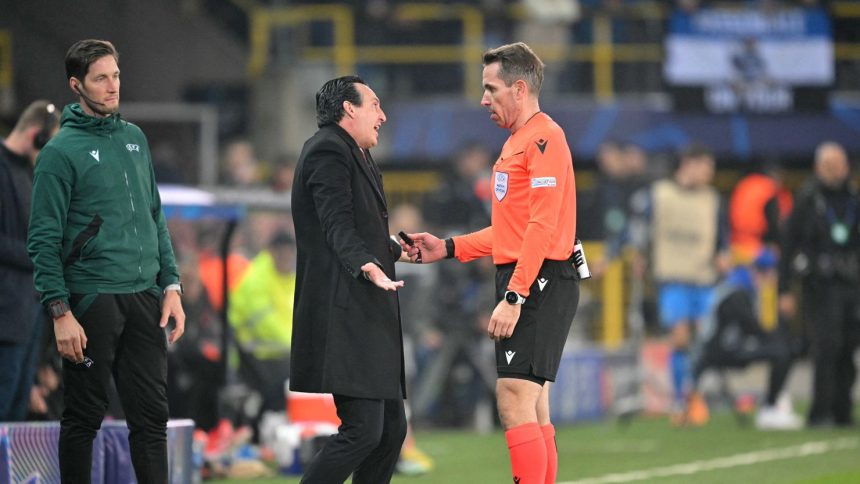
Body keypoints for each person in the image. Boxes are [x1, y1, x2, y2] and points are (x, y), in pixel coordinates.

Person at [407, 42, 579, 484]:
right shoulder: (516, 142)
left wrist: (514, 295)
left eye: (491, 89)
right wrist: (447, 247)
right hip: (531, 273)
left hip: (538, 278)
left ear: (519, 90)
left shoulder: (544, 138)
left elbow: (540, 229)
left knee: (513, 397)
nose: (483, 99)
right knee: (532, 402)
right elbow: (512, 231)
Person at [27, 39, 185, 483]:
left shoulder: (135, 138)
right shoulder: (60, 153)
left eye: (116, 75)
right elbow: (42, 239)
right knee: (83, 419)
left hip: (144, 300)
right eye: (101, 77)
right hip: (91, 301)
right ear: (76, 85)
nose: (113, 86)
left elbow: (155, 216)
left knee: (152, 420)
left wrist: (171, 286)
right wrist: (60, 312)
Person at [290, 75, 407, 484]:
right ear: (348, 108)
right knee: (363, 431)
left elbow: (357, 227)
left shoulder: (353, 152)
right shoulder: (326, 149)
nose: (383, 115)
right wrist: (366, 264)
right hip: (345, 314)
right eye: (374, 105)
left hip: (365, 312)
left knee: (390, 432)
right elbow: (335, 224)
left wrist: (394, 248)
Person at [633, 143, 731, 426]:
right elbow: (641, 229)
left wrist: (723, 256)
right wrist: (639, 255)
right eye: (706, 167)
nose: (710, 174)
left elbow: (721, 239)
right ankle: (681, 399)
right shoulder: (660, 194)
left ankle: (694, 394)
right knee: (679, 339)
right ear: (689, 164)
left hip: (704, 279)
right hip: (673, 279)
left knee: (704, 340)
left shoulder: (712, 199)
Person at [779, 141, 860, 428]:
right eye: (828, 164)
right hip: (820, 285)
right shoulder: (807, 199)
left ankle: (843, 411)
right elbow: (787, 246)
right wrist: (784, 289)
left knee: (849, 347)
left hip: (851, 283)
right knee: (827, 346)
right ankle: (820, 412)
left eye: (839, 164)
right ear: (817, 167)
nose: (835, 170)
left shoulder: (853, 197)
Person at [690, 249, 802, 430]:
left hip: (724, 347)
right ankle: (770, 407)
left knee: (783, 347)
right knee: (782, 352)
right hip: (720, 350)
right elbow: (751, 326)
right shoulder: (737, 292)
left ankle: (774, 403)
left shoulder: (739, 288)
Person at [0, 100, 60, 421]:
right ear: (36, 136)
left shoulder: (30, 175)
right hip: (5, 318)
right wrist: (37, 256)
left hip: (28, 317)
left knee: (15, 413)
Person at [228, 231, 295, 415]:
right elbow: (266, 324)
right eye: (282, 253)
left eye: (289, 253)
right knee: (290, 385)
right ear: (271, 252)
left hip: (277, 356)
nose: (286, 258)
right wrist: (299, 346)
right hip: (252, 358)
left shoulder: (288, 278)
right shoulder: (256, 279)